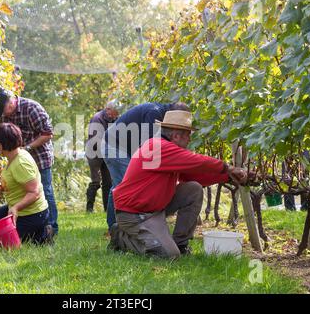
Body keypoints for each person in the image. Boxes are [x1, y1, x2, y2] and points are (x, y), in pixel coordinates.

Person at [108, 110, 248, 258]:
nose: (189, 140)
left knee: (193, 189)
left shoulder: (167, 152)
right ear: (175, 135)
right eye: (188, 135)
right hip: (135, 214)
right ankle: (121, 237)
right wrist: (228, 167)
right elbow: (197, 160)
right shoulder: (157, 148)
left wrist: (229, 177)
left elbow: (194, 177)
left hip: (154, 208)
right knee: (167, 256)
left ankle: (180, 244)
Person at [102, 101, 190, 230]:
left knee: (120, 185)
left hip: (123, 147)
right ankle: (119, 228)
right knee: (125, 186)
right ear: (173, 114)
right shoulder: (154, 113)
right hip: (113, 145)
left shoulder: (161, 113)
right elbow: (149, 147)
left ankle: (116, 225)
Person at [0, 88, 59, 235]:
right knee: (24, 191)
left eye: (3, 111)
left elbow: (48, 134)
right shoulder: (4, 116)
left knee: (44, 191)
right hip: (17, 157)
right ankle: (31, 224)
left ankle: (51, 228)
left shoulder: (32, 108)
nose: (2, 116)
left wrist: (26, 148)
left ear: (10, 102)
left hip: (39, 155)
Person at [0, 123, 53, 244]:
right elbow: (18, 182)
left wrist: (16, 208)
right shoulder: (14, 157)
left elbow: (34, 192)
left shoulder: (20, 163)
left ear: (1, 144)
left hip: (33, 213)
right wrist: (2, 188)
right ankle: (37, 234)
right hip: (18, 209)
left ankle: (42, 233)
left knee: (2, 241)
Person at [85, 100, 122, 213]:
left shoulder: (114, 119)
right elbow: (96, 141)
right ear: (108, 110)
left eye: (117, 114)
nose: (116, 116)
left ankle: (107, 209)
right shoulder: (97, 119)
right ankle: (89, 208)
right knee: (96, 181)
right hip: (94, 152)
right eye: (115, 113)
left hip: (107, 152)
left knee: (108, 182)